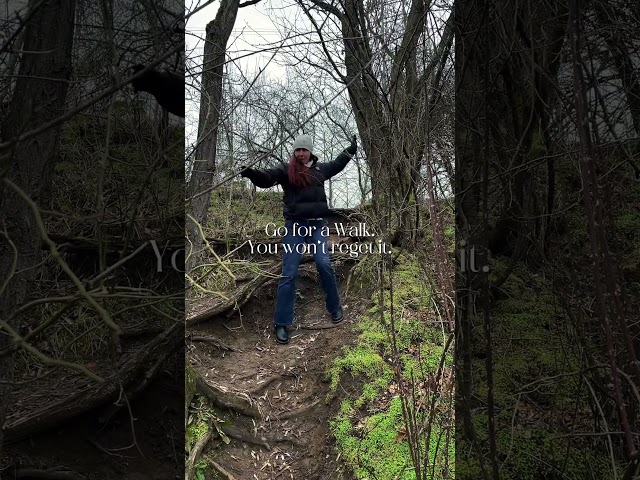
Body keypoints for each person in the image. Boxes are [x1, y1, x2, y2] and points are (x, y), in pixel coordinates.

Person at [240, 133, 358, 344]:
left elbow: (338, 164)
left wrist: (350, 150)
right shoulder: (286, 170)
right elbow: (267, 178)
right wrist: (251, 174)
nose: (301, 153)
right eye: (297, 150)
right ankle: (282, 322)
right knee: (289, 273)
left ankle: (334, 306)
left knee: (323, 263)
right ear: (294, 152)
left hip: (317, 226)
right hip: (295, 226)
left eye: (304, 150)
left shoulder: (321, 170)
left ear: (310, 151)